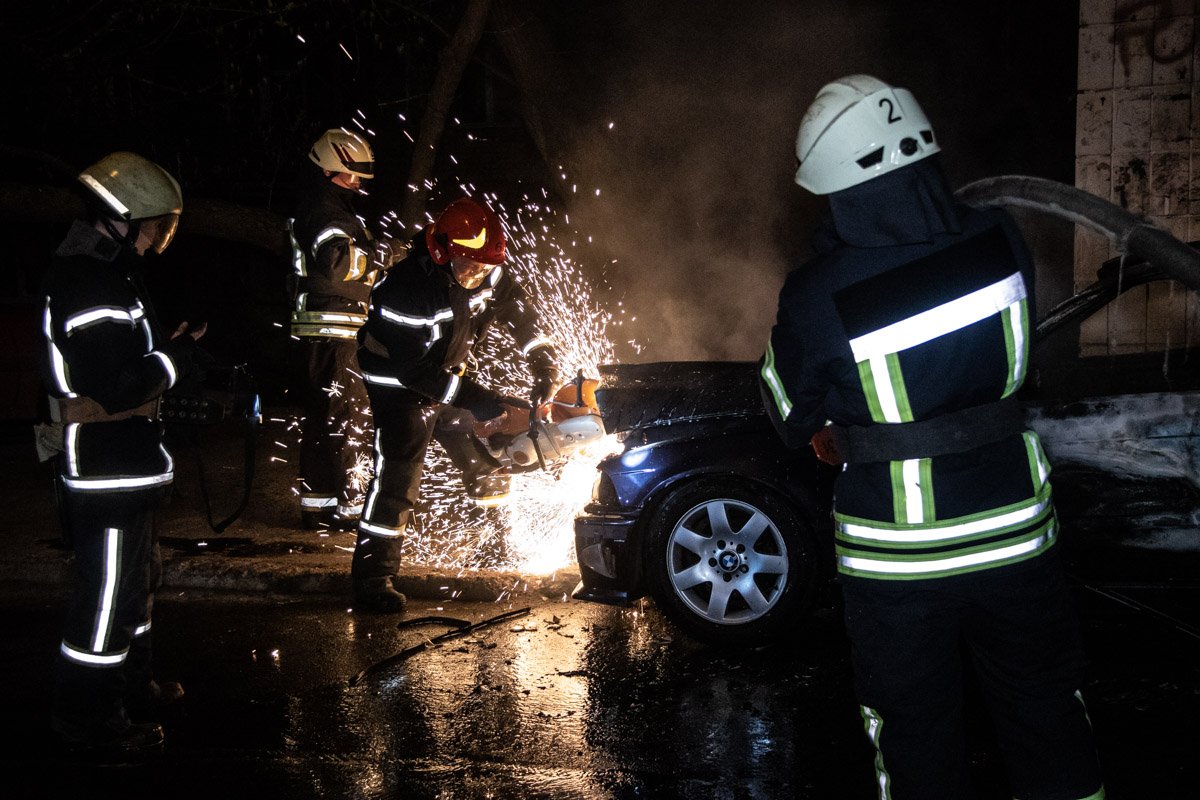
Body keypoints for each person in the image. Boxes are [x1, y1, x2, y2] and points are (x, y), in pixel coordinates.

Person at [759, 75, 1105, 799]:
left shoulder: (820, 291)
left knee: (914, 728)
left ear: (830, 177)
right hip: (1016, 531)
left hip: (900, 561)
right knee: (1046, 710)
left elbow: (787, 411)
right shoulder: (999, 233)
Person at [37, 151, 204, 761]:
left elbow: (129, 364)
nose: (161, 237)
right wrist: (176, 361)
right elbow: (114, 383)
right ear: (125, 216)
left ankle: (132, 688)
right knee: (106, 601)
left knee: (134, 590)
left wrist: (168, 350)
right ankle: (88, 717)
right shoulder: (87, 281)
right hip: (104, 466)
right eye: (157, 224)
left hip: (128, 462)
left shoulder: (111, 272)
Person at [351, 196, 559, 612]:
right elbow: (415, 373)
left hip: (449, 373)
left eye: (484, 269)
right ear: (441, 250)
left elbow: (521, 314)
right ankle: (373, 579)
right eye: (469, 267)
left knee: (481, 453)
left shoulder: (486, 268)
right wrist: (478, 400)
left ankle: (495, 544)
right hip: (398, 382)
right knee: (400, 472)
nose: (477, 276)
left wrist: (542, 364)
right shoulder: (404, 290)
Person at [289, 128, 406, 531]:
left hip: (326, 329)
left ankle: (319, 507)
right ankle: (352, 508)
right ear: (327, 169)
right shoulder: (325, 211)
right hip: (334, 329)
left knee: (326, 419)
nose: (357, 184)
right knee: (349, 418)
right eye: (349, 175)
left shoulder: (325, 207)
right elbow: (337, 263)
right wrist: (386, 254)